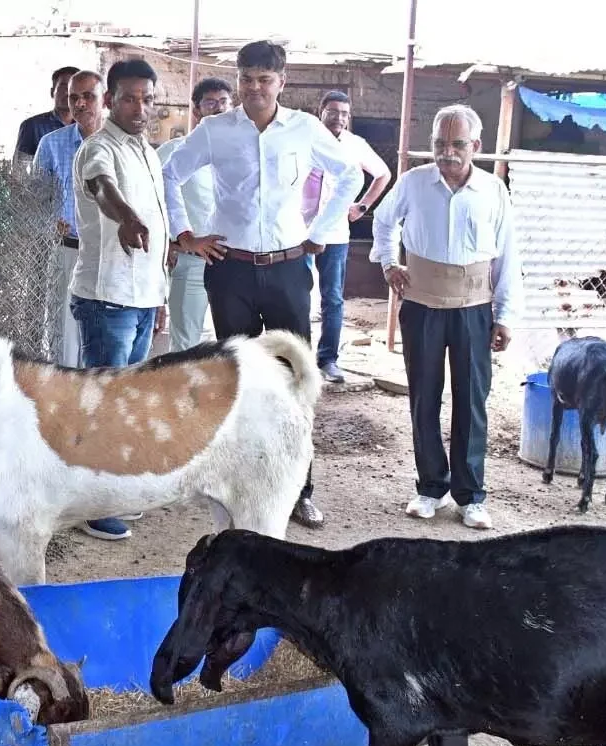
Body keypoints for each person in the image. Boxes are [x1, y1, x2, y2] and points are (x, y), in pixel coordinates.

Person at [161, 40, 362, 529]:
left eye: (264, 80)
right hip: (230, 269)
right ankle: (242, 490)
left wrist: (320, 231)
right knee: (239, 378)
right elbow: (169, 174)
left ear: (281, 82)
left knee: (295, 377)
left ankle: (300, 490)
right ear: (238, 80)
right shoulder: (216, 130)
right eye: (246, 79)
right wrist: (185, 235)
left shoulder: (304, 129)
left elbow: (350, 175)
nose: (254, 88)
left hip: (289, 268)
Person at [370, 104, 522, 530]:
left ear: (476, 145)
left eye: (457, 144)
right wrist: (388, 264)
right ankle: (431, 488)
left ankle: (471, 496)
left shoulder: (493, 190)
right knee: (424, 397)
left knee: (472, 401)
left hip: (474, 308)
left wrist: (505, 315)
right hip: (422, 307)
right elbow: (383, 222)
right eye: (439, 143)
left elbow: (508, 255)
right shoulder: (414, 182)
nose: (447, 153)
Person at [70, 58, 169, 541]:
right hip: (107, 299)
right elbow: (102, 187)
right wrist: (125, 217)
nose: (139, 108)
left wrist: (160, 297)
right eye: (129, 98)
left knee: (125, 401)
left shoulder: (147, 151)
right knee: (103, 404)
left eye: (147, 99)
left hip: (142, 297)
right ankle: (92, 504)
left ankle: (115, 490)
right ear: (110, 100)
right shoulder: (99, 147)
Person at [301, 90, 392, 383]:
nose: (338, 118)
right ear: (321, 112)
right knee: (297, 296)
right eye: (333, 112)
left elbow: (383, 174)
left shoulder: (355, 145)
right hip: (298, 230)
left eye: (344, 113)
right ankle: (299, 361)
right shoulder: (305, 139)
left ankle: (328, 359)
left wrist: (362, 206)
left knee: (333, 298)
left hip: (335, 233)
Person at [32, 70, 106, 368]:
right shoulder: (51, 144)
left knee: (108, 332)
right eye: (74, 97)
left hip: (111, 253)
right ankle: (64, 388)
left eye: (88, 96)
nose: (80, 104)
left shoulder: (123, 144)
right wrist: (49, 223)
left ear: (105, 99)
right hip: (67, 249)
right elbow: (35, 200)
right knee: (64, 332)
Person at [155, 77, 232, 352]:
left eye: (224, 102)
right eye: (211, 103)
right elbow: (153, 202)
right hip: (192, 260)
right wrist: (170, 243)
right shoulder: (173, 152)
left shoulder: (241, 152)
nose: (219, 108)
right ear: (196, 110)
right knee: (186, 344)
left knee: (233, 343)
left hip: (235, 261)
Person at [13, 66, 79, 170]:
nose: (67, 93)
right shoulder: (32, 126)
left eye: (72, 88)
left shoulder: (85, 127)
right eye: (63, 87)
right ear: (52, 92)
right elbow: (19, 169)